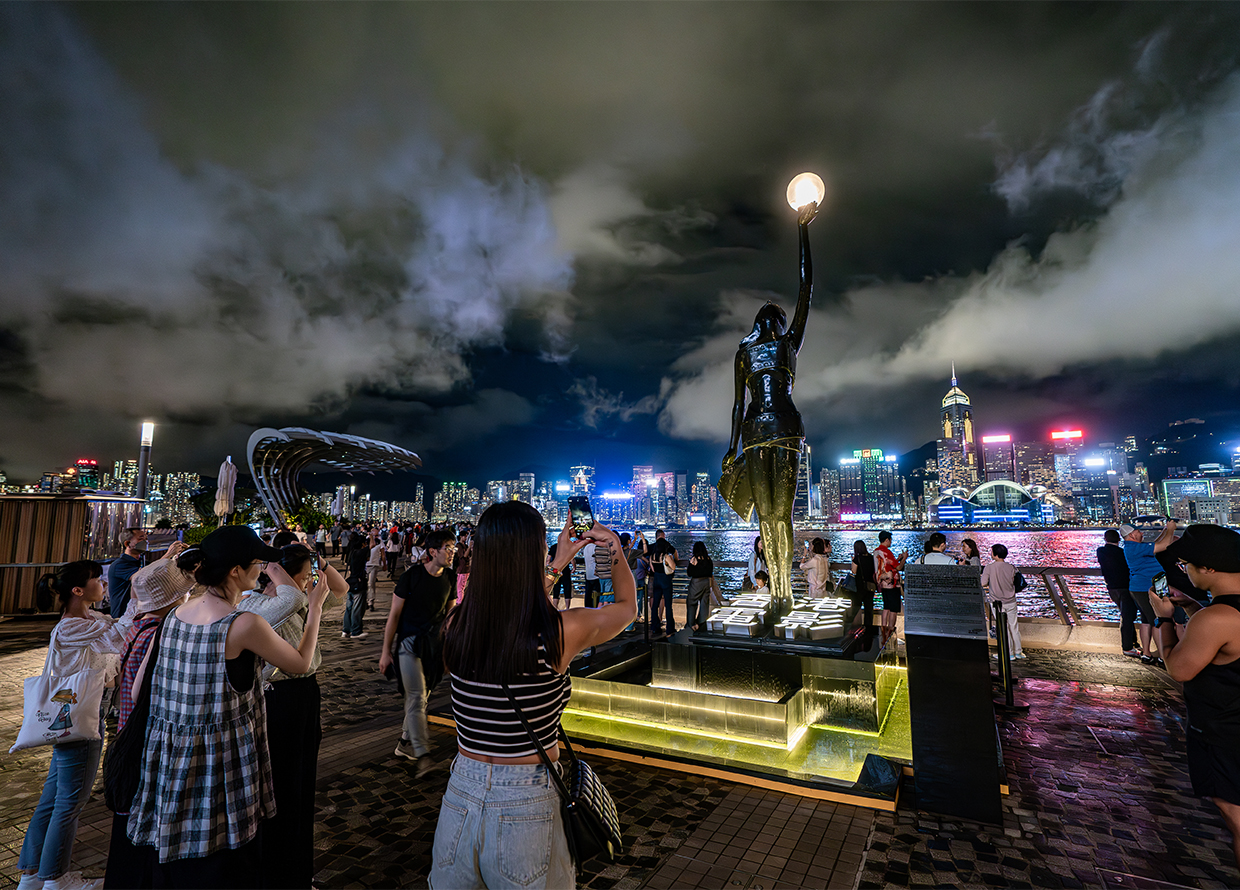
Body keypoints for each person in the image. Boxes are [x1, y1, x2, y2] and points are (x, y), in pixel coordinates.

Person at [428, 504, 636, 890]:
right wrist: (615, 549)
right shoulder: (560, 632)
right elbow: (626, 609)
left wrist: (557, 564)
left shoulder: (457, 624)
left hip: (460, 793)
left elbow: (507, 611)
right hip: (527, 799)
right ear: (534, 553)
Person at [126, 525, 330, 888]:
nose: (260, 570)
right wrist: (314, 608)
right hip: (220, 759)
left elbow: (140, 688)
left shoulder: (175, 615)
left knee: (179, 854)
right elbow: (299, 662)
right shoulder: (243, 623)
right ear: (235, 571)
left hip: (169, 757)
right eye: (256, 564)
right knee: (222, 858)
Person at [718, 200, 819, 615]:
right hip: (766, 433)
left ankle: (784, 592)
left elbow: (805, 289)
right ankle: (780, 591)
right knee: (771, 517)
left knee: (777, 515)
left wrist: (802, 231)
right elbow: (737, 405)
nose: (773, 320)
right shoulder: (752, 351)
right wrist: (731, 448)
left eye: (773, 316)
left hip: (775, 432)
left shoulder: (775, 346)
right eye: (772, 315)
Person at [237, 545, 345, 890]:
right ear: (281, 575)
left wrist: (320, 563)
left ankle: (295, 871)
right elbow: (294, 606)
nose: (309, 582)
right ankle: (276, 872)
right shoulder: (255, 605)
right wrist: (299, 591)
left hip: (304, 694)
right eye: (304, 576)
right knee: (279, 787)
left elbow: (341, 590)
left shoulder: (299, 597)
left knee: (300, 784)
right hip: (276, 698)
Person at [18, 561, 130, 890]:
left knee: (54, 798)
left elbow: (113, 643)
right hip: (79, 714)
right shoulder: (70, 627)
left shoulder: (92, 620)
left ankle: (32, 875)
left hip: (82, 712)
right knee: (70, 802)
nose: (104, 584)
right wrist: (139, 593)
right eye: (98, 579)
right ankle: (57, 879)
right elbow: (121, 632)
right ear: (79, 590)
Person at [103, 546, 193, 890]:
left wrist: (166, 559)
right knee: (138, 833)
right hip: (142, 741)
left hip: (125, 733)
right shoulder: (159, 634)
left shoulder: (136, 625)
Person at [1150, 524, 1240, 864]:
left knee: (1236, 817)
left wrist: (1164, 620)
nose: (1185, 570)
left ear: (1209, 568)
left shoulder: (1217, 618)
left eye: (1187, 564)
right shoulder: (1218, 613)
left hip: (1225, 734)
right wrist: (1191, 608)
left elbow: (1178, 668)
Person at [378, 529, 456, 778]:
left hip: (435, 647)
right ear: (433, 551)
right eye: (448, 548)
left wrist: (449, 651)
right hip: (409, 645)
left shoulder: (451, 578)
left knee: (422, 699)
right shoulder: (411, 577)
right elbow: (394, 616)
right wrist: (385, 652)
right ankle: (423, 754)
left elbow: (450, 618)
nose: (453, 553)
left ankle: (403, 744)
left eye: (454, 548)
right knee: (416, 696)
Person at [1122, 522, 1177, 664]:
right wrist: (1170, 530)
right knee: (1158, 621)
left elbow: (1156, 544)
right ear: (1132, 535)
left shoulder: (1134, 547)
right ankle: (1163, 656)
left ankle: (1147, 653)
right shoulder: (1135, 547)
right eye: (1139, 531)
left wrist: (1165, 530)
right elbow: (1164, 546)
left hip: (1139, 587)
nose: (1142, 534)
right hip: (1147, 587)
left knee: (1146, 620)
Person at [1098, 529, 1138, 656]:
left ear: (1105, 539)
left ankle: (1134, 642)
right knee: (1128, 616)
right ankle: (1127, 647)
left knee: (1127, 615)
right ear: (1119, 539)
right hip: (1126, 587)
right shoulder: (1123, 553)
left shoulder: (1100, 551)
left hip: (1112, 588)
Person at [982, 543, 1023, 659]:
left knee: (1002, 628)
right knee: (1013, 627)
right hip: (1011, 600)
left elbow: (983, 583)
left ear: (995, 554)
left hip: (997, 602)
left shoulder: (989, 568)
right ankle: (1018, 652)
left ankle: (1008, 653)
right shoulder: (1011, 567)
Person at [107, 529, 148, 619]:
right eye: (141, 539)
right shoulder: (120, 565)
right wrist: (168, 555)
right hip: (123, 617)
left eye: (146, 538)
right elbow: (143, 577)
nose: (145, 541)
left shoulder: (142, 562)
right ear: (127, 543)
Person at [874, 532, 906, 641]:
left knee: (886, 607)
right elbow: (898, 568)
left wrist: (897, 558)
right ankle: (891, 631)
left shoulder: (876, 551)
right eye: (890, 540)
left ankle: (883, 632)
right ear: (887, 540)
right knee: (893, 610)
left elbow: (886, 566)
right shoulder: (886, 552)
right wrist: (904, 558)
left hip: (882, 584)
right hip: (892, 584)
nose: (891, 542)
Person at [648, 530, 678, 635]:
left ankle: (655, 626)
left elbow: (652, 568)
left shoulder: (652, 556)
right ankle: (670, 628)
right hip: (665, 580)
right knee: (668, 605)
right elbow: (673, 567)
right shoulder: (665, 556)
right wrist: (672, 560)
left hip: (656, 579)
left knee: (655, 604)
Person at [342, 536, 369, 639]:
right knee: (357, 608)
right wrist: (370, 535)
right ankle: (356, 631)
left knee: (349, 608)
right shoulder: (360, 553)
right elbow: (371, 546)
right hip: (358, 583)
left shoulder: (352, 553)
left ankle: (346, 630)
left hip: (351, 583)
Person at [685, 542, 715, 632]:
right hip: (706, 583)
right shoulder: (708, 559)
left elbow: (689, 573)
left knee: (691, 603)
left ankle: (690, 626)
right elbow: (710, 571)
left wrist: (691, 564)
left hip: (696, 583)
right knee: (704, 604)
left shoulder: (694, 559)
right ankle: (702, 625)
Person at [851, 541, 877, 633]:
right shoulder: (871, 558)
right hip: (870, 586)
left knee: (856, 607)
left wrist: (852, 560)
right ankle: (868, 629)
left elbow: (854, 571)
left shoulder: (857, 558)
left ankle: (854, 628)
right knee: (869, 609)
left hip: (859, 587)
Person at [548, 541, 573, 609]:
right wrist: (574, 567)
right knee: (567, 588)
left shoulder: (553, 547)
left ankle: (555, 607)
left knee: (556, 589)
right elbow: (571, 558)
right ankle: (567, 608)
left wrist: (549, 569)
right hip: (565, 570)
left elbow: (548, 560)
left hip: (556, 570)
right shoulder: (567, 547)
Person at [366, 536, 384, 610]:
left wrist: (384, 564)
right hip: (366, 566)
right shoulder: (366, 546)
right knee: (366, 584)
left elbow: (383, 554)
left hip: (374, 565)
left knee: (371, 583)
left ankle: (371, 602)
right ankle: (366, 601)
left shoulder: (379, 543)